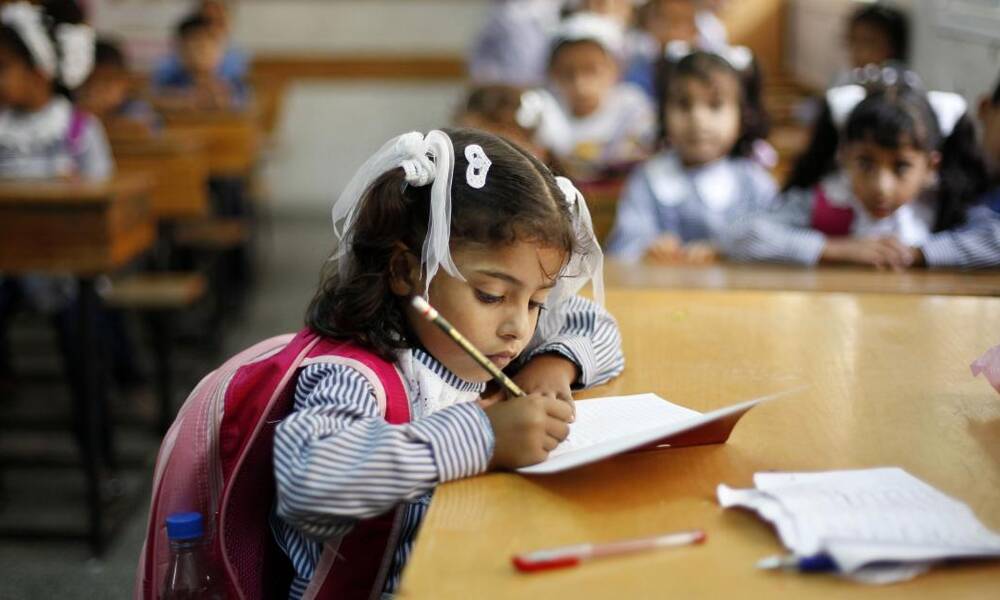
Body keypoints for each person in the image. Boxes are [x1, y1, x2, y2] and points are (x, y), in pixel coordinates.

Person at [271, 128, 624, 597]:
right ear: (406, 271)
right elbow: (309, 480)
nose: (518, 327)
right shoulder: (355, 375)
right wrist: (485, 437)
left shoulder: (496, 338)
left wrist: (555, 364)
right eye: (491, 295)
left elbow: (594, 323)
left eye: (537, 302)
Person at [725, 69, 999, 269]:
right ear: (843, 157)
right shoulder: (827, 202)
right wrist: (834, 249)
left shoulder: (946, 204)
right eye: (866, 163)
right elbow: (738, 236)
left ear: (930, 167)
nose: (881, 187)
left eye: (901, 167)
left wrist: (917, 254)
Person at [607, 45, 774, 263]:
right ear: (663, 113)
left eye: (715, 105)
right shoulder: (647, 179)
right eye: (683, 105)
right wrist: (648, 247)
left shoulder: (755, 184)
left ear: (742, 116)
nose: (698, 119)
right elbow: (624, 242)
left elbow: (774, 243)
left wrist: (726, 250)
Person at [535, 12, 656, 181]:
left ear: (615, 69)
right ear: (553, 73)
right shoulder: (544, 108)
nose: (580, 83)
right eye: (568, 73)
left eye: (591, 70)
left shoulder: (632, 105)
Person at [153, 12, 247, 110]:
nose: (197, 55)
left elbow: (243, 104)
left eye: (204, 47)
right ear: (179, 50)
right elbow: (153, 100)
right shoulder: (168, 77)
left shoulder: (234, 78)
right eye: (190, 48)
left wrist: (224, 99)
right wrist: (184, 100)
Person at [77, 38, 161, 134]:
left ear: (124, 82)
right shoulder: (72, 116)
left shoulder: (138, 112)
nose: (98, 91)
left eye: (107, 82)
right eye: (90, 84)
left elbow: (152, 132)